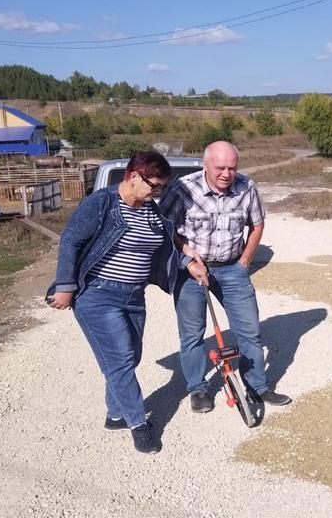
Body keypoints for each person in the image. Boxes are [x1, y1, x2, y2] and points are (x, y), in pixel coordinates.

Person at [48, 151, 194, 454]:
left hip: (134, 296)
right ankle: (139, 426)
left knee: (130, 357)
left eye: (161, 188)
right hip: (98, 295)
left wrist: (189, 263)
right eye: (154, 186)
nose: (158, 193)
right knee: (121, 361)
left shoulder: (150, 210)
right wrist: (65, 286)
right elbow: (71, 240)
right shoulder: (102, 203)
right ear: (134, 176)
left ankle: (115, 415)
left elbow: (164, 245)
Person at [159, 141, 292, 413]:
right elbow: (164, 227)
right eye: (220, 167)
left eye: (232, 168)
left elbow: (257, 224)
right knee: (192, 335)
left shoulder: (246, 187)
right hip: (192, 271)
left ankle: (257, 386)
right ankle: (198, 389)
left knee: (250, 332)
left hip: (233, 269)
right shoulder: (183, 188)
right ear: (205, 164)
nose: (226, 174)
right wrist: (185, 256)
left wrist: (245, 261)